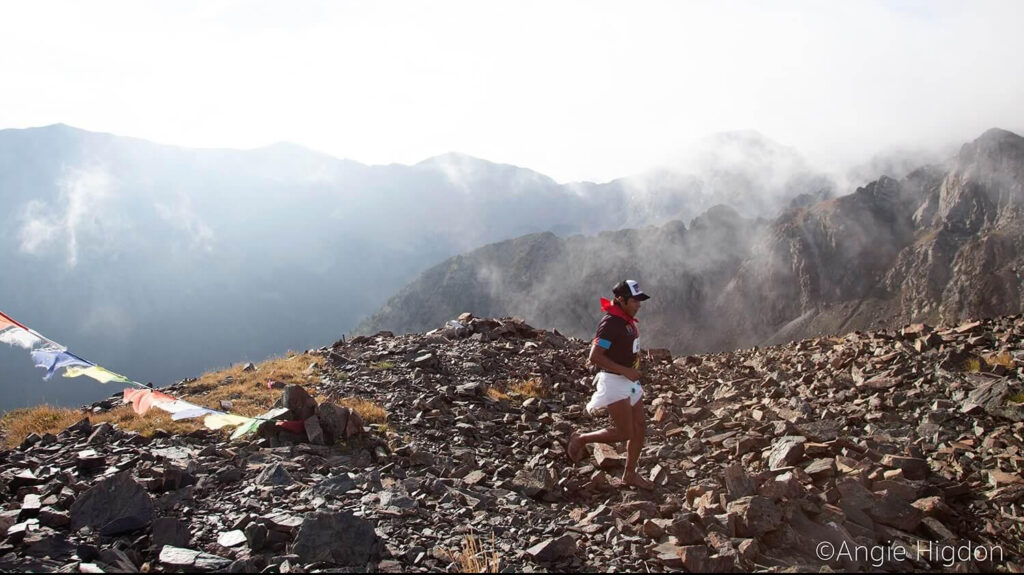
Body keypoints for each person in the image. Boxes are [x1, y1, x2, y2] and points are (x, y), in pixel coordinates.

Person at [568, 279, 654, 490]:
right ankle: (581, 438)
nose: (639, 305)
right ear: (620, 300)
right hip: (615, 382)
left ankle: (630, 474)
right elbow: (595, 356)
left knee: (640, 427)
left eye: (639, 300)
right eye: (634, 301)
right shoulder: (610, 323)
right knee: (625, 432)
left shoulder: (625, 320)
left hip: (629, 381)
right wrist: (626, 370)